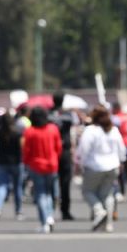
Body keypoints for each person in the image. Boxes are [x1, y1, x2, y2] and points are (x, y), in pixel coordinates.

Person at [75, 105, 126, 232]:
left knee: (87, 192)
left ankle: (99, 211)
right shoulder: (113, 130)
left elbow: (83, 150)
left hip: (94, 166)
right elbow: (122, 149)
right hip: (113, 165)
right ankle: (108, 224)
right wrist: (121, 161)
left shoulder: (91, 130)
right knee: (107, 194)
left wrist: (81, 163)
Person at [23, 107, 62, 233]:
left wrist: (26, 163)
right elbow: (58, 147)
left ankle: (44, 220)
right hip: (52, 164)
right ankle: (49, 216)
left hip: (36, 165)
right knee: (49, 193)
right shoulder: (53, 129)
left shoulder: (30, 132)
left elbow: (26, 150)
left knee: (40, 194)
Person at [50, 91, 78, 220]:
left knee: (50, 181)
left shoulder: (48, 114)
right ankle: (65, 210)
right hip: (64, 151)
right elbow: (73, 123)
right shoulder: (67, 114)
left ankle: (49, 209)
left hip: (51, 150)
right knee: (65, 183)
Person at [0, 113, 24, 220]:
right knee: (17, 187)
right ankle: (18, 211)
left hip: (2, 162)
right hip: (16, 162)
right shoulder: (18, 133)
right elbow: (22, 147)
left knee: (1, 186)